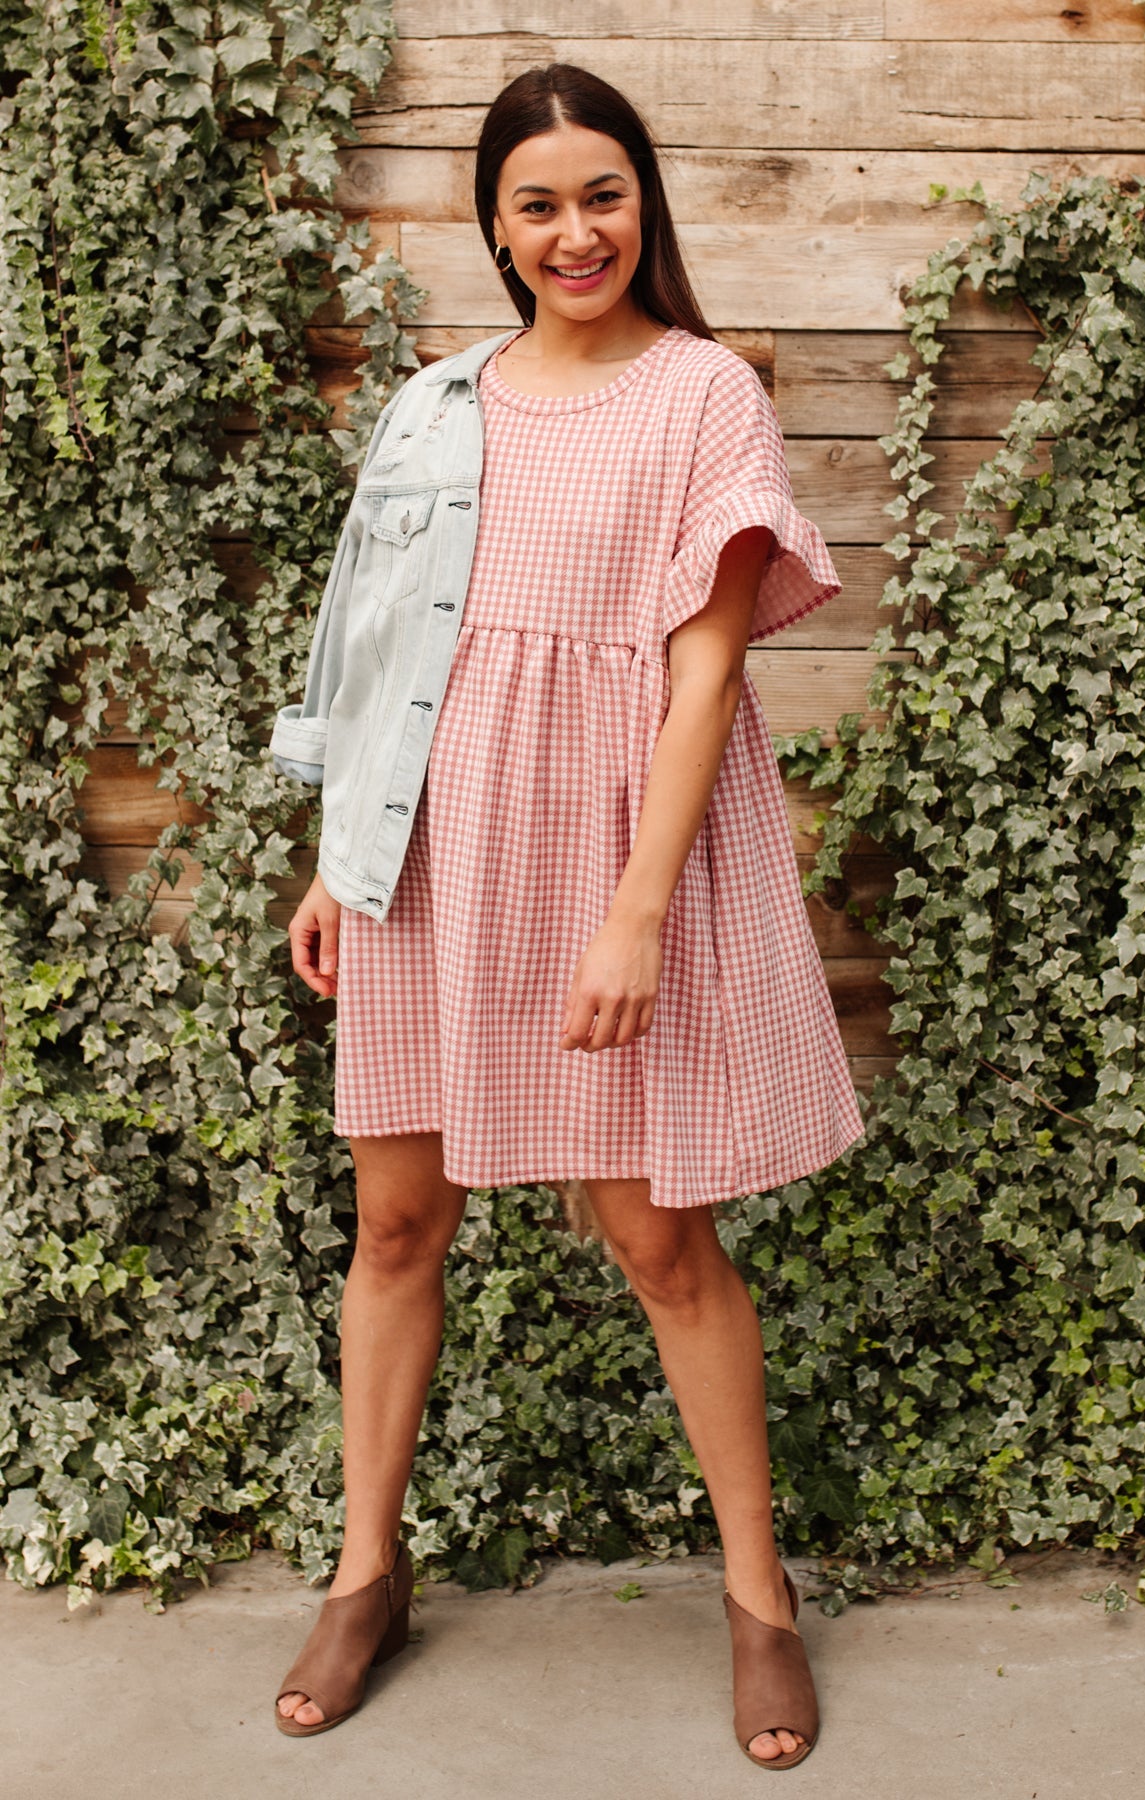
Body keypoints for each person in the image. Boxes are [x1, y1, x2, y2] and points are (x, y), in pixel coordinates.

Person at [271, 61, 864, 1771]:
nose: (574, 229)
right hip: (428, 847)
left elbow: (704, 676)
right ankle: (365, 1568)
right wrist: (335, 855)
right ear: (499, 224)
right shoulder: (435, 401)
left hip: (609, 845)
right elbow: (373, 644)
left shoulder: (706, 396)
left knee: (659, 1236)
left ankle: (759, 1598)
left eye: (601, 194)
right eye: (537, 202)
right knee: (395, 1225)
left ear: (642, 203)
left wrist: (636, 914)